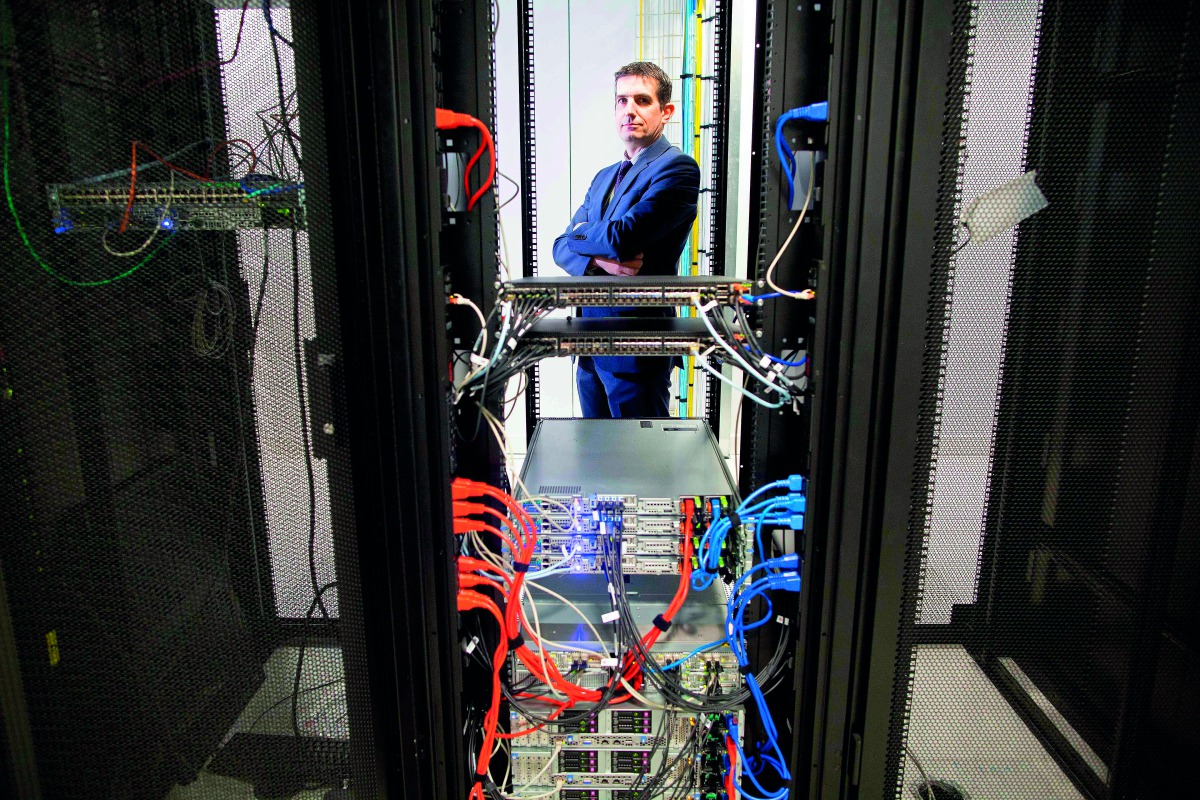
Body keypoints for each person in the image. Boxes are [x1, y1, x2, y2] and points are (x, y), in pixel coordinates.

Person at [552, 61, 700, 419]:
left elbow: (624, 236)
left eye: (641, 100)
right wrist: (596, 257)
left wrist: (581, 238)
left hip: (636, 350)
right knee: (597, 460)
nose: (629, 110)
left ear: (666, 112)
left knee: (642, 465)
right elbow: (559, 245)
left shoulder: (677, 168)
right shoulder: (604, 177)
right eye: (621, 100)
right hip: (589, 347)